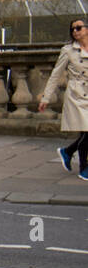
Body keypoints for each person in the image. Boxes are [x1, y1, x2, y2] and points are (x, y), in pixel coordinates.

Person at [39, 18, 88, 181]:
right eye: (72, 29)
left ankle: (67, 152)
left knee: (86, 133)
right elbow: (55, 74)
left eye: (79, 28)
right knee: (86, 132)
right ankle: (83, 169)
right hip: (77, 95)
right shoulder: (68, 50)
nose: (75, 31)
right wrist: (46, 97)